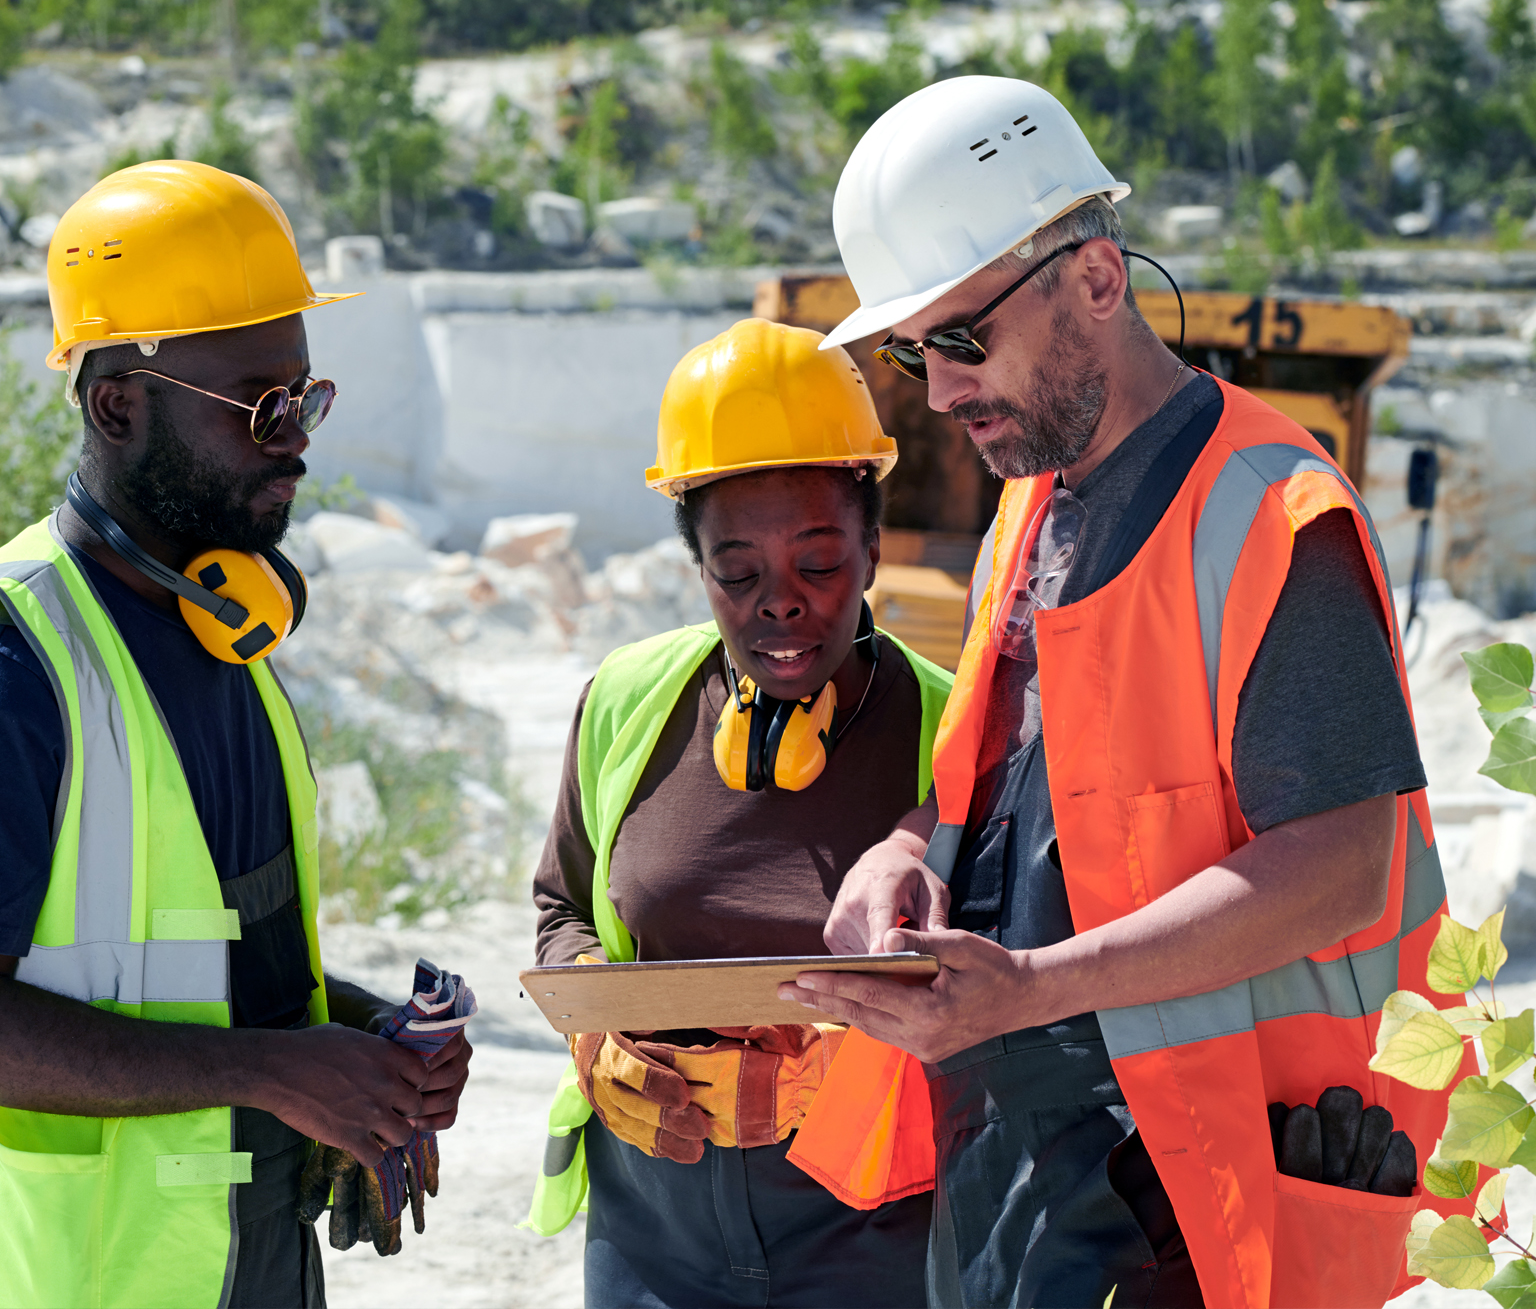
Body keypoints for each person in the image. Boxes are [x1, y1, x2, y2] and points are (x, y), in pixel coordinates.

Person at [779, 77, 1466, 1309]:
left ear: (1096, 280)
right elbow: (996, 802)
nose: (936, 394)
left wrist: (1038, 987)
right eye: (909, 352)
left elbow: (1342, 866)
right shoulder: (1027, 509)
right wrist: (901, 851)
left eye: (958, 341)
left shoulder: (1269, 514)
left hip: (1197, 1190)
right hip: (1024, 1162)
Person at [0, 161, 472, 1309]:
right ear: (119, 404)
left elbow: (193, 958)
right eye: (263, 407)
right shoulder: (22, 655)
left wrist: (354, 1044)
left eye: (308, 402)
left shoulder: (226, 635)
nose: (297, 442)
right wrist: (272, 1072)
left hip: (251, 1259)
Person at [528, 317, 954, 1309]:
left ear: (875, 549)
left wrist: (852, 1056)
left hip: (880, 1240)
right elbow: (562, 910)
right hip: (651, 1236)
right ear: (697, 566)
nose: (782, 602)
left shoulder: (955, 730)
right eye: (738, 571)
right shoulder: (630, 703)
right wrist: (599, 1039)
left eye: (820, 562)